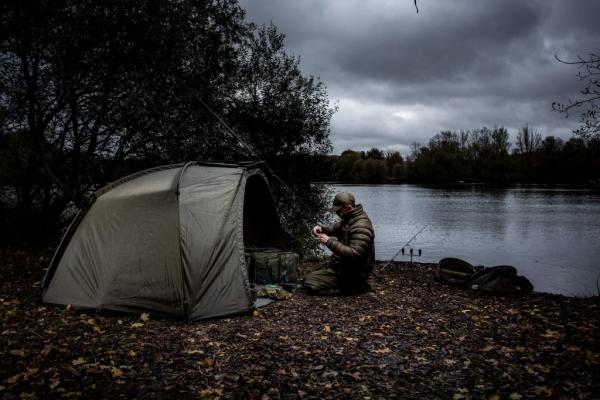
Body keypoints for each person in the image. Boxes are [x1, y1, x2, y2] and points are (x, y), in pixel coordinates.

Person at [303, 192, 375, 295]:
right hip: (345, 267)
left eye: (338, 211)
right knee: (308, 277)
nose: (337, 213)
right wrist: (321, 228)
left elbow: (354, 254)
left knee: (310, 283)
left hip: (355, 273)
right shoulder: (350, 219)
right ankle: (351, 286)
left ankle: (354, 289)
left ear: (348, 207)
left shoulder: (361, 226)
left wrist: (329, 241)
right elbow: (335, 228)